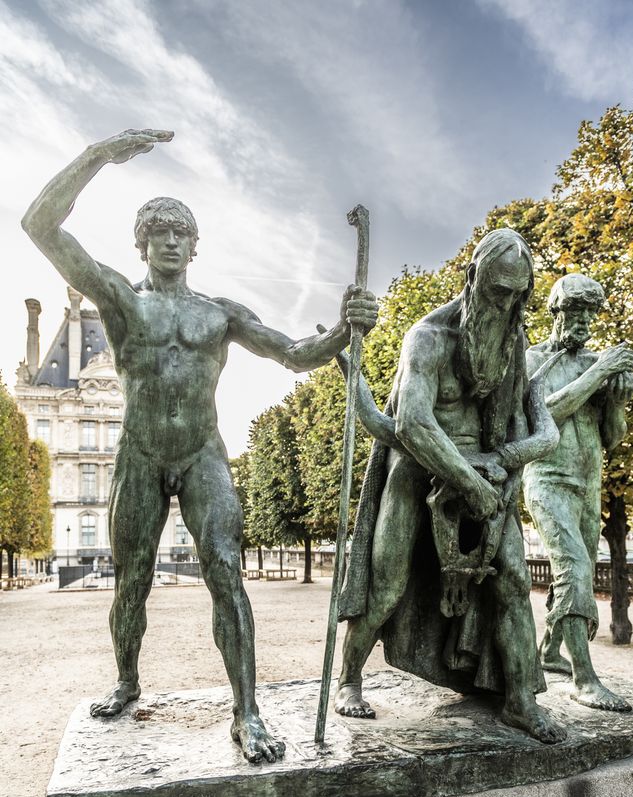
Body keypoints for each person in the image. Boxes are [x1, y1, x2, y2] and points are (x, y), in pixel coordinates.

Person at [22, 129, 377, 763]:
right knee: (131, 581)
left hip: (202, 454)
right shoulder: (121, 300)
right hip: (140, 453)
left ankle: (248, 711)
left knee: (224, 571)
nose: (168, 237)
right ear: (141, 242)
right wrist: (98, 156)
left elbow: (293, 352)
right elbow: (41, 225)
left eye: (179, 230)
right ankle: (128, 681)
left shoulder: (220, 313)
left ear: (194, 244)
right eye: (156, 228)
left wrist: (343, 330)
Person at [335, 229, 566, 744]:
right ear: (473, 277)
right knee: (387, 585)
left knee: (510, 577)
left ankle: (521, 701)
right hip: (417, 468)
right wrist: (469, 480)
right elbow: (413, 424)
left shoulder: (513, 340)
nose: (505, 303)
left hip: (484, 469)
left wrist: (496, 475)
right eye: (497, 290)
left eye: (516, 294)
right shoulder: (428, 336)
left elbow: (515, 424)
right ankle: (349, 680)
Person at [524, 273, 633, 710]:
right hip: (547, 478)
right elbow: (545, 414)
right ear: (556, 312)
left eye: (591, 312)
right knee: (572, 564)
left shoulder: (596, 363)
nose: (585, 321)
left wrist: (617, 402)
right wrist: (600, 373)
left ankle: (549, 651)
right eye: (576, 311)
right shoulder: (533, 359)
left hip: (589, 482)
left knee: (580, 571)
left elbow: (612, 437)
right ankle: (583, 678)